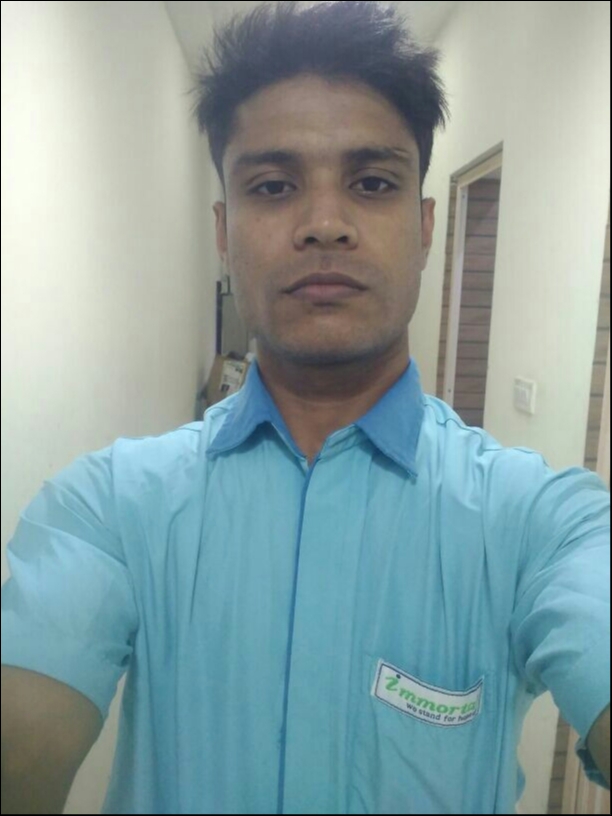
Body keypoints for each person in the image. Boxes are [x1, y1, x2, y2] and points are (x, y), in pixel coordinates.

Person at [1, 1, 609, 813]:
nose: (325, 225)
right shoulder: (109, 509)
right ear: (224, 232)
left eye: (373, 183)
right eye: (274, 185)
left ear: (425, 227)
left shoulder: (540, 523)